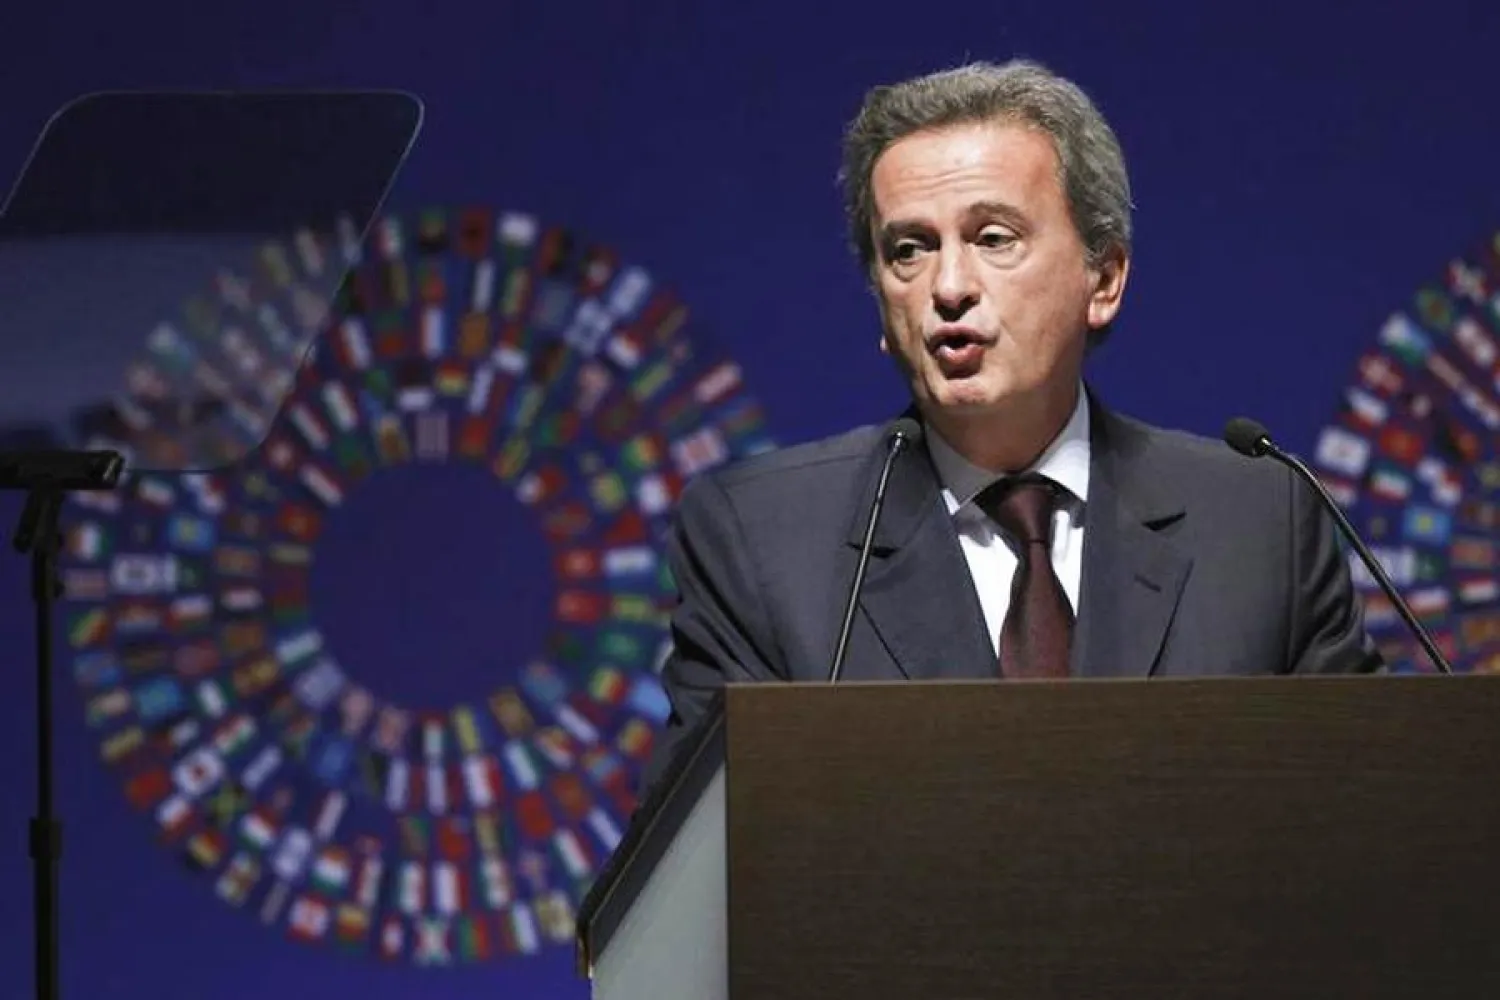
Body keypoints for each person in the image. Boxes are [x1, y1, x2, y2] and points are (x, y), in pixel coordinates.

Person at [639, 59, 1382, 794]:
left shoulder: (1261, 526)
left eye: (993, 238)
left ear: (1106, 278)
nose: (949, 287)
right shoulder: (762, 543)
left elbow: (1375, 821)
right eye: (909, 250)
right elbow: (698, 877)